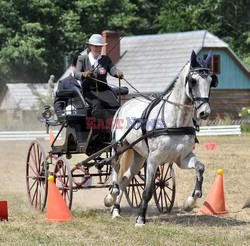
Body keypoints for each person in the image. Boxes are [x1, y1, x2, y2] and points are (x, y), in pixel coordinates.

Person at [74, 34, 124, 118]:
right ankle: (97, 129)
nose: (98, 49)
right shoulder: (82, 59)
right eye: (95, 46)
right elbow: (76, 74)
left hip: (104, 89)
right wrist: (84, 74)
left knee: (115, 105)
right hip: (89, 90)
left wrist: (117, 72)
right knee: (97, 105)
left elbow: (112, 69)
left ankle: (112, 127)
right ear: (90, 46)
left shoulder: (106, 59)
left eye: (100, 47)